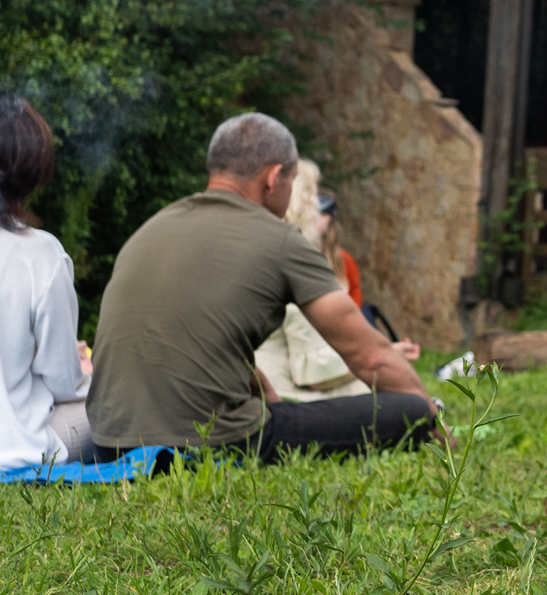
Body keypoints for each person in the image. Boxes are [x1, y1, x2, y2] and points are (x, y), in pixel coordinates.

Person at [87, 113, 434, 460]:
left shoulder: (151, 228)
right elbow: (372, 358)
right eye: (292, 179)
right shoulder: (280, 240)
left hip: (109, 442)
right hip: (215, 440)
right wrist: (433, 419)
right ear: (273, 178)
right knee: (409, 410)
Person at [253, 159, 420, 402]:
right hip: (285, 397)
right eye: (314, 195)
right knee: (406, 404)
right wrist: (388, 355)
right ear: (302, 204)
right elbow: (317, 375)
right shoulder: (293, 261)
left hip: (261, 390)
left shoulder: (261, 249)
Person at [0, 99, 89, 469]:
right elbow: (64, 383)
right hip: (13, 447)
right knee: (108, 408)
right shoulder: (41, 254)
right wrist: (84, 370)